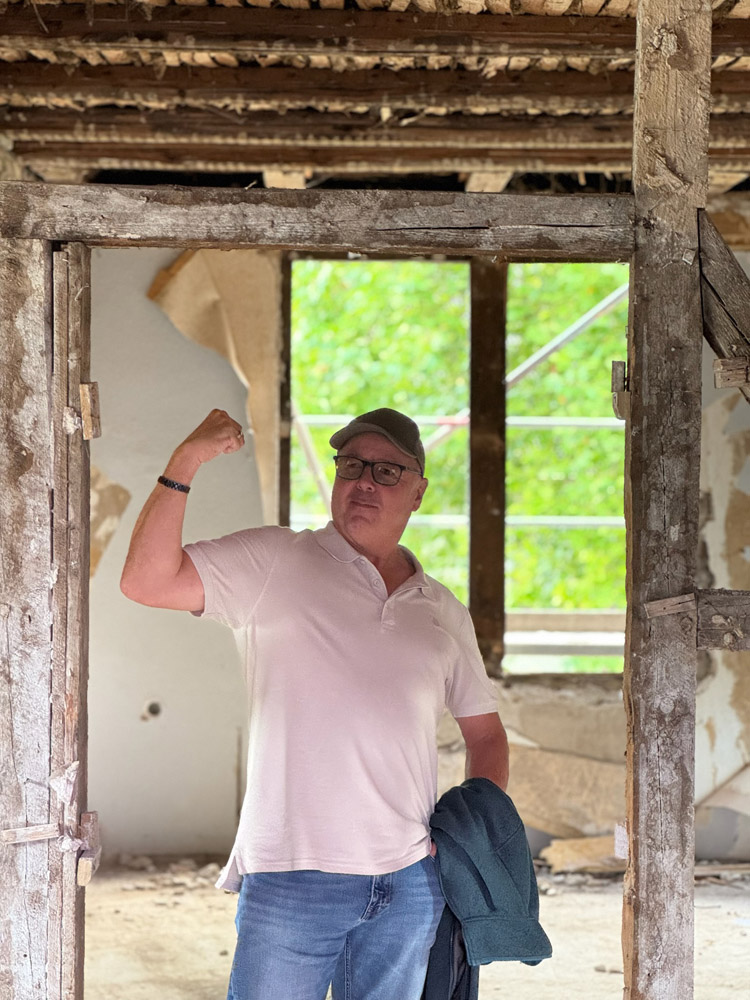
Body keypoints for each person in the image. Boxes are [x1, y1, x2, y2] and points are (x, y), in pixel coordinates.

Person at [120, 406, 510, 1000]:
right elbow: (145, 580)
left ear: (418, 493)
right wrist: (186, 461)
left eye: (385, 471)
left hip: (409, 883)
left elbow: (487, 735)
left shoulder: (441, 610)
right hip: (292, 878)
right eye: (352, 465)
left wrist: (468, 838)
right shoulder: (276, 561)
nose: (363, 482)